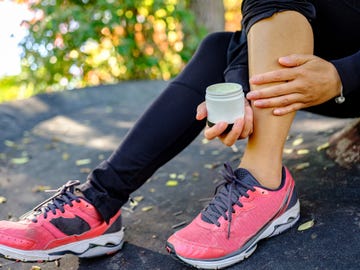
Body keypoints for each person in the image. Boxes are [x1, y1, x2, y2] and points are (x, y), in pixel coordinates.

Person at [0, 0, 359, 269]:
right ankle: (99, 202)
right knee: (219, 45)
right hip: (307, 71)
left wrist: (342, 76)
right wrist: (237, 83)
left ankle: (266, 182)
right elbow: (252, 20)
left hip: (345, 80)